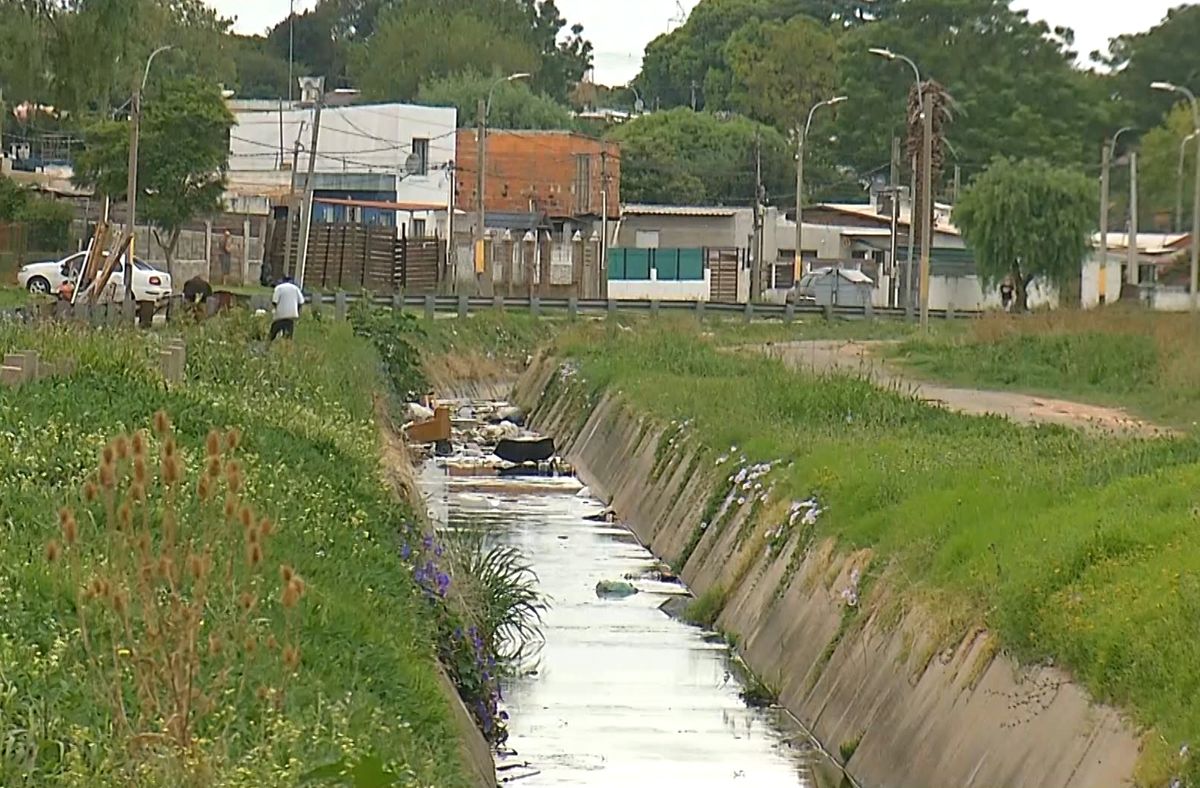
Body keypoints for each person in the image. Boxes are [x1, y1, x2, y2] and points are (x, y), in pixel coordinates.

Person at [270, 276, 305, 342]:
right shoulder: (296, 288)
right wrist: (297, 311)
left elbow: (274, 301)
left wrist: (276, 309)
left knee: (273, 331)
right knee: (288, 334)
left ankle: (269, 342)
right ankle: (287, 344)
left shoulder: (279, 288)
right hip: (292, 315)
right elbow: (301, 302)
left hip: (280, 315)